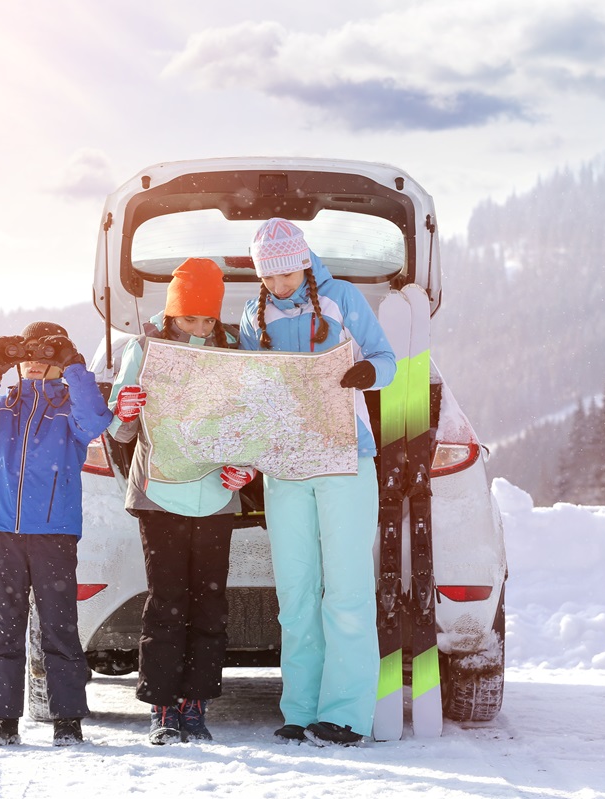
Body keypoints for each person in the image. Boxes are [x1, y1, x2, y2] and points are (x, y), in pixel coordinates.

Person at [238, 218, 396, 747]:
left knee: (347, 587)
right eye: (269, 276)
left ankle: (346, 713)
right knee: (296, 591)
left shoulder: (344, 298)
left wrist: (365, 375)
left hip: (344, 457)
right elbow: (249, 388)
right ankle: (300, 708)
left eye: (285, 273)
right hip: (286, 464)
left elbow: (388, 360)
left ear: (303, 261)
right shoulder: (251, 314)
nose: (278, 285)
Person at [107, 257, 253, 745]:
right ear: (171, 314)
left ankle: (197, 704)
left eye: (207, 319)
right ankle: (163, 708)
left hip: (216, 496)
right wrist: (123, 410)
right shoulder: (144, 349)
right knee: (168, 602)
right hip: (160, 496)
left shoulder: (233, 350)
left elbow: (251, 421)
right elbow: (121, 430)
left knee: (210, 603)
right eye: (189, 318)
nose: (199, 327)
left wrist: (246, 468)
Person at [0, 321, 113, 747]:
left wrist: (76, 367)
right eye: (28, 357)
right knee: (4, 626)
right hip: (4, 530)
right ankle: (2, 720)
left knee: (59, 628)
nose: (36, 365)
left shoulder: (70, 408)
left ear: (59, 365)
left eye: (47, 358)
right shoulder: (5, 405)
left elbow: (98, 422)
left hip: (54, 535)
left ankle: (67, 721)